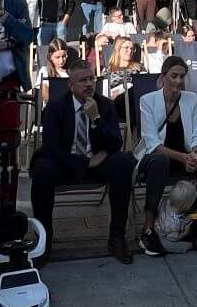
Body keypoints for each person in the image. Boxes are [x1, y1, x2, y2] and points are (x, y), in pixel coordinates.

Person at [32, 55, 135, 261]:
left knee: (123, 162)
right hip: (67, 163)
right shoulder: (55, 106)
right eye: (83, 80)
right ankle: (44, 238)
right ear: (71, 85)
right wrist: (84, 162)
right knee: (42, 169)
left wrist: (95, 118)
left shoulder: (104, 105)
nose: (89, 84)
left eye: (91, 79)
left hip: (97, 163)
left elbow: (116, 143)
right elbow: (51, 148)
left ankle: (117, 236)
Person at [136, 55, 197, 254]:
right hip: (156, 158)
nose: (178, 81)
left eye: (182, 76)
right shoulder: (148, 101)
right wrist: (184, 158)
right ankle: (148, 227)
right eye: (174, 76)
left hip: (183, 157)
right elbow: (152, 143)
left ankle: (193, 215)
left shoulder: (190, 99)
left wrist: (194, 153)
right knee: (160, 161)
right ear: (163, 77)